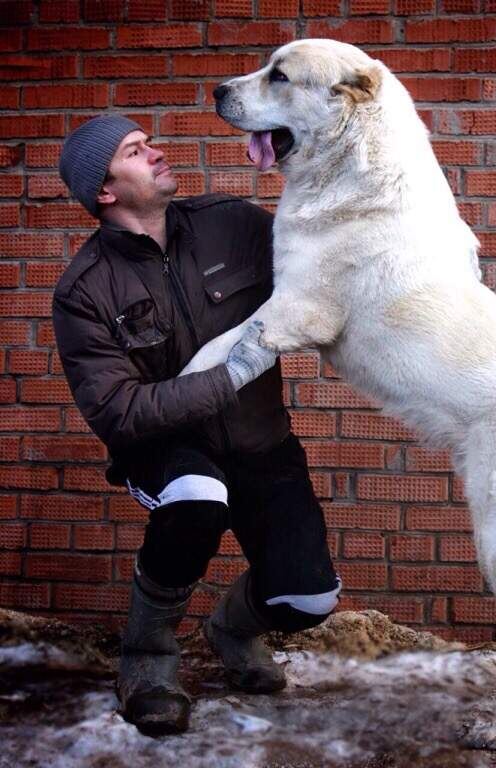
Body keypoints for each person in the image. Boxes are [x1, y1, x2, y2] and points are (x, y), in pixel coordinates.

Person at [53, 114, 341, 736]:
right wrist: (228, 376)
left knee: (308, 598)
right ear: (104, 190)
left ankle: (232, 630)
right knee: (196, 496)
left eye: (149, 142)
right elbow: (118, 410)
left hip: (262, 442)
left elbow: (320, 262)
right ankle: (147, 660)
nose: (156, 152)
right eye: (135, 151)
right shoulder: (86, 290)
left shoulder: (231, 223)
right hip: (165, 448)